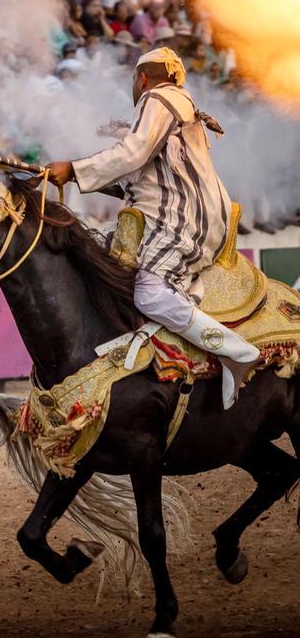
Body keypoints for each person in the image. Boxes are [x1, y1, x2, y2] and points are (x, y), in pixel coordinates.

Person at [47, 48, 259, 407]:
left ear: (142, 77)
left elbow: (133, 153)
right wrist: (87, 177)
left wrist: (74, 169)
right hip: (189, 216)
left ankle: (237, 353)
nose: (134, 86)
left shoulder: (157, 97)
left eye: (133, 79)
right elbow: (142, 175)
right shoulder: (176, 102)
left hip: (181, 219)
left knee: (149, 293)